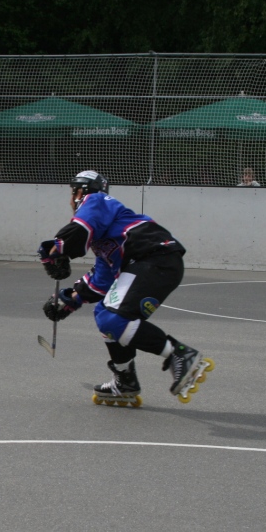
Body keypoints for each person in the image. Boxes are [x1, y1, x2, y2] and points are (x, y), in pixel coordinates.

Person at [38, 170, 212, 405]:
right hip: (152, 263)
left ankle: (180, 355)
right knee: (104, 314)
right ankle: (125, 379)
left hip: (153, 258)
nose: (71, 201)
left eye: (72, 194)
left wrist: (56, 251)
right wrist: (70, 299)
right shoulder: (105, 237)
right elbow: (101, 280)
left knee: (113, 318)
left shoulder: (96, 199)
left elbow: (78, 231)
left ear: (79, 192)